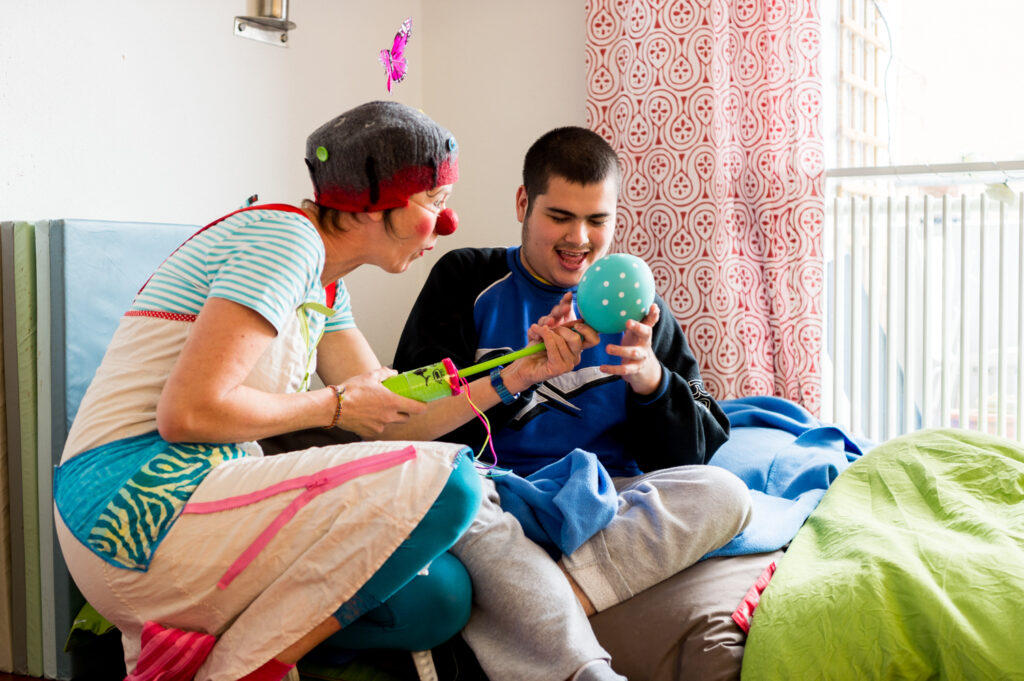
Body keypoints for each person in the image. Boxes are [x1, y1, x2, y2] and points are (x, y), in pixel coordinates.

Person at [392, 126, 751, 654]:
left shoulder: (640, 312)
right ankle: (543, 593)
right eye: (560, 216)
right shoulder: (466, 279)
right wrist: (517, 373)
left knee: (726, 495)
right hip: (498, 496)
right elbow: (412, 411)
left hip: (606, 505)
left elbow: (701, 439)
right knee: (449, 503)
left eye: (597, 220)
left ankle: (553, 597)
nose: (578, 238)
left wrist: (650, 379)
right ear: (523, 204)